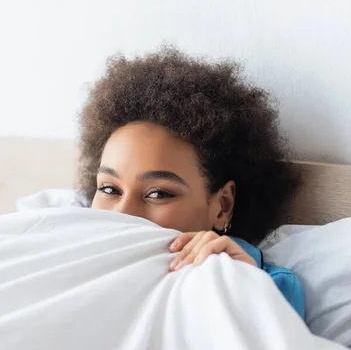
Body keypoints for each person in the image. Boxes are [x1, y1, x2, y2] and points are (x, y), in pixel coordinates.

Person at [77, 47, 305, 318]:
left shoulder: (271, 288)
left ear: (222, 206)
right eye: (109, 188)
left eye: (158, 193)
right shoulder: (61, 255)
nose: (124, 214)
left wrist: (244, 287)